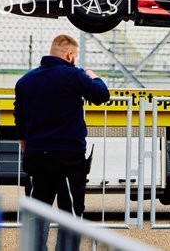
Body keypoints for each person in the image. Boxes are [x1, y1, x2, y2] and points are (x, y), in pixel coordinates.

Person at [14, 34, 110, 251]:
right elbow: (101, 95)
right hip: (69, 156)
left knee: (38, 208)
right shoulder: (74, 75)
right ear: (70, 55)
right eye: (74, 56)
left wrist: (24, 142)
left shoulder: (25, 81)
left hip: (37, 155)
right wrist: (94, 77)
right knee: (71, 211)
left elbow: (19, 116)